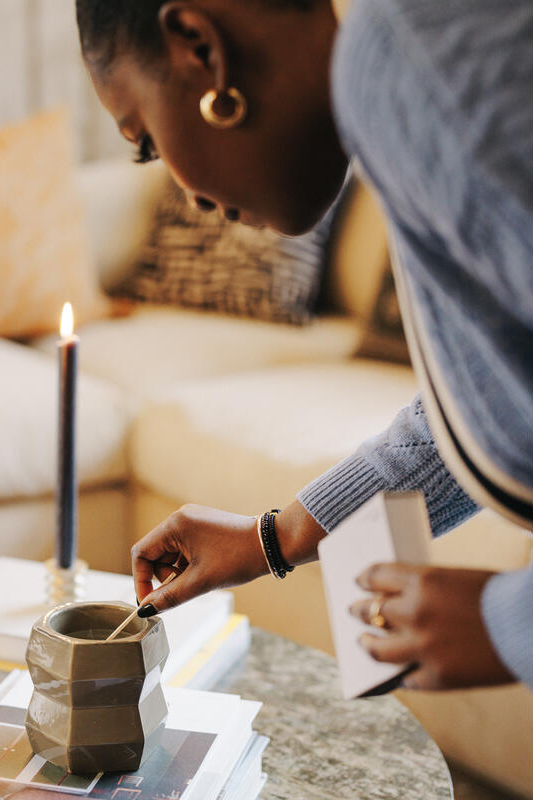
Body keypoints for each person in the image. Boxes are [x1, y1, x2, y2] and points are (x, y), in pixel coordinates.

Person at [74, 0, 532, 691]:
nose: (187, 194)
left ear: (199, 45)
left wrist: (509, 623)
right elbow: (494, 398)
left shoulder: (406, 57)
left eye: (144, 139)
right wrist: (277, 536)